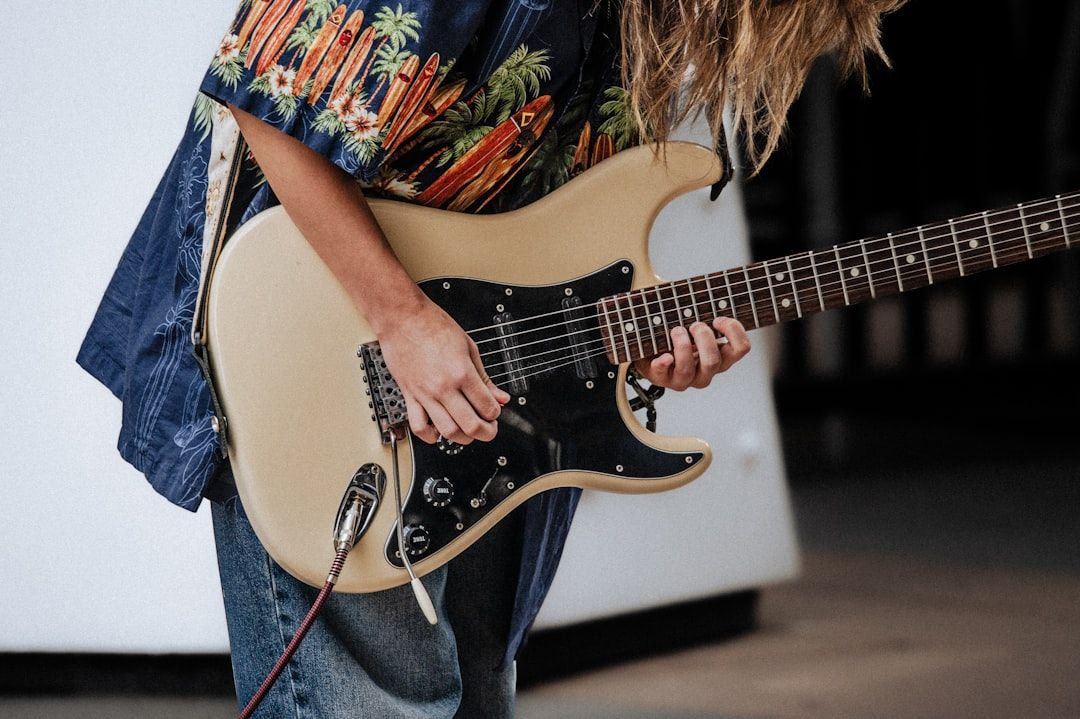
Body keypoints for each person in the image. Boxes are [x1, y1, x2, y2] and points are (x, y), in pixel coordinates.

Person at [76, 1, 904, 716]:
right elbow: (265, 93)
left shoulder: (644, 26)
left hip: (489, 393)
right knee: (374, 700)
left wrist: (642, 348)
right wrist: (403, 321)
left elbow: (542, 240)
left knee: (475, 692)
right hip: (316, 334)